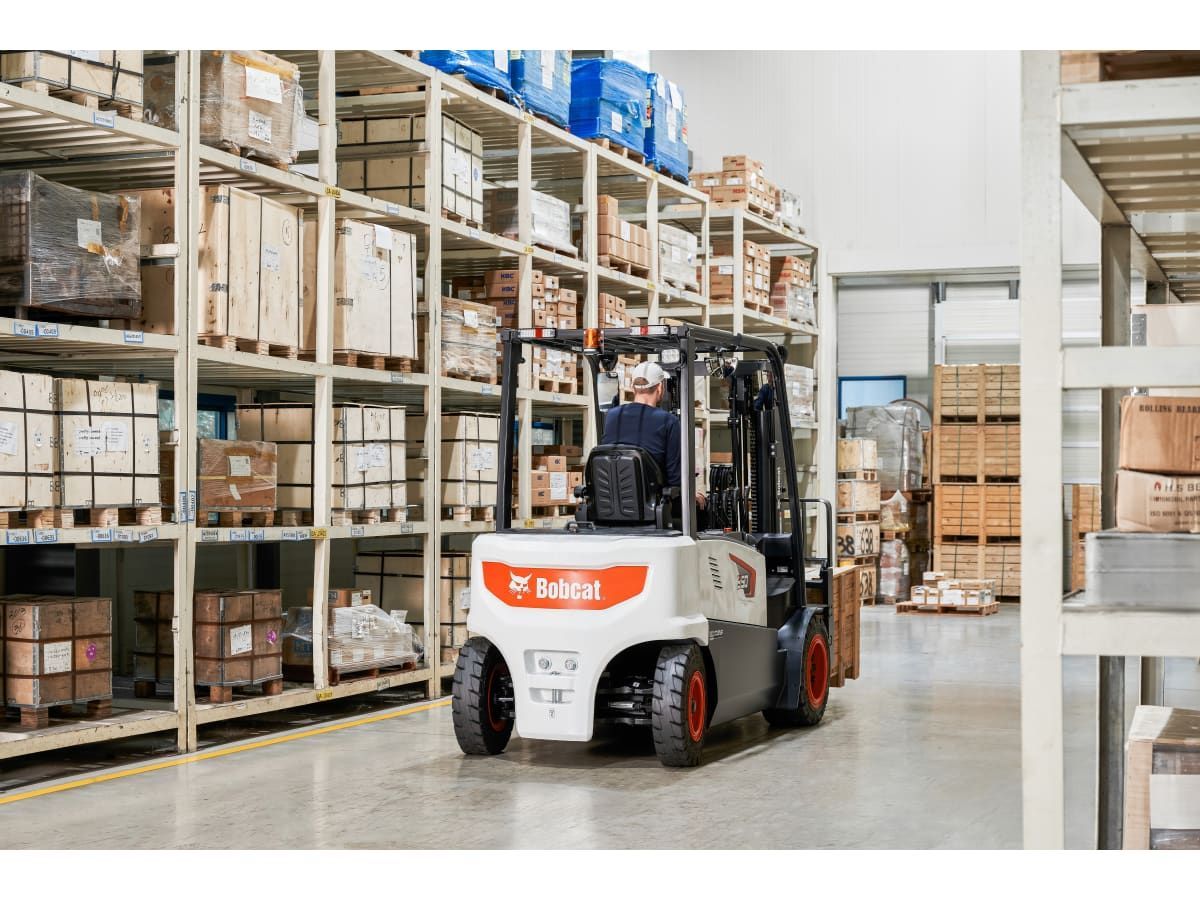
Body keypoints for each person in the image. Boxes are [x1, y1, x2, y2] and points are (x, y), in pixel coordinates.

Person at [603, 361, 707, 512]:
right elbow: (676, 479)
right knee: (701, 509)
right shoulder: (669, 421)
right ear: (660, 388)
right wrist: (694, 495)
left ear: (633, 388)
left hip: (610, 505)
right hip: (651, 509)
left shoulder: (612, 416)